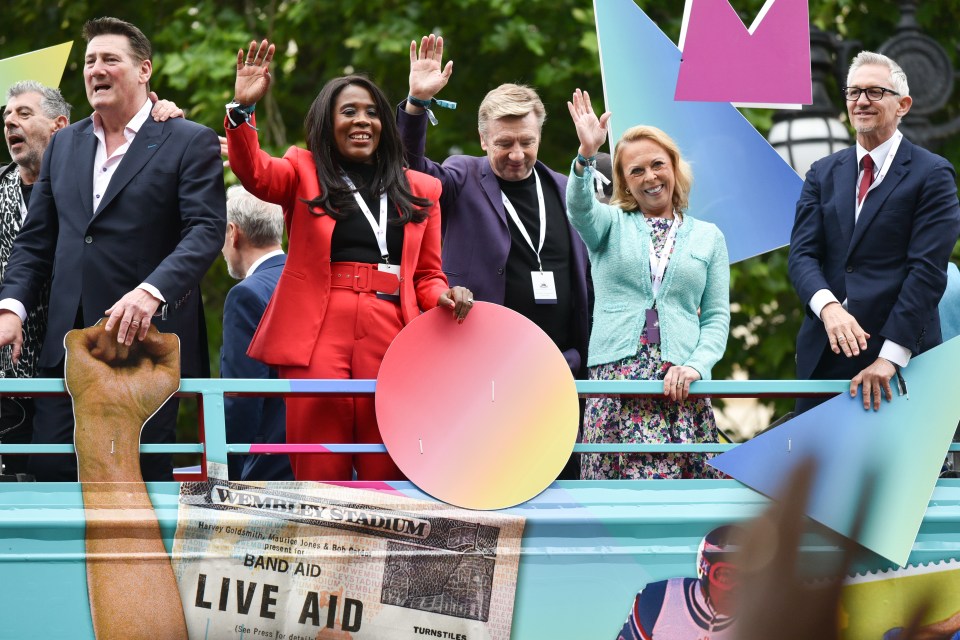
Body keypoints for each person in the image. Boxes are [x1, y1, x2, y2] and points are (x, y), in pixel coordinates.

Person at [226, 39, 473, 481]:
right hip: (319, 326)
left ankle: (389, 547)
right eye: (349, 112)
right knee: (321, 458)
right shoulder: (302, 170)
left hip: (393, 328)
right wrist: (242, 112)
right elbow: (255, 173)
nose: (362, 120)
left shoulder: (422, 189)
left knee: (390, 458)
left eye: (372, 112)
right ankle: (323, 548)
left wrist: (445, 295)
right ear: (328, 123)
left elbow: (428, 275)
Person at [0, 17, 226, 482]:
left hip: (148, 347)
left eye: (109, 59)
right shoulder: (64, 144)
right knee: (53, 477)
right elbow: (35, 242)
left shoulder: (188, 140)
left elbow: (205, 230)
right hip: (68, 348)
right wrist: (12, 308)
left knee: (137, 487)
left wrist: (152, 291)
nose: (96, 69)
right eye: (89, 61)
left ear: (144, 70)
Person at [398, 35, 590, 479]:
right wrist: (415, 105)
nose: (517, 154)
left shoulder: (567, 190)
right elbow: (410, 171)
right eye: (505, 143)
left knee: (561, 486)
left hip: (561, 371)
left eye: (527, 141)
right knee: (490, 480)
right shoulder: (463, 175)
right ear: (482, 139)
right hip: (482, 371)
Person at [566, 89, 730, 480]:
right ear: (624, 181)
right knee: (615, 500)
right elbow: (579, 207)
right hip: (616, 382)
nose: (650, 177)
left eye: (657, 165)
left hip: (680, 384)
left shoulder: (709, 237)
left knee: (681, 499)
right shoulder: (609, 224)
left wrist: (696, 366)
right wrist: (587, 156)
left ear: (674, 167)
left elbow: (717, 317)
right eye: (635, 171)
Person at [788, 51, 960, 414]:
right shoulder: (821, 173)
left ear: (903, 105)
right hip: (825, 356)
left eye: (875, 92)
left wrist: (890, 358)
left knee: (893, 473)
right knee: (816, 472)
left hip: (901, 364)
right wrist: (829, 308)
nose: (861, 101)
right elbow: (803, 255)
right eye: (853, 92)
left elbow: (927, 272)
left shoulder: (932, 174)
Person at [0, 81, 69, 477]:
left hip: (68, 363)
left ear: (59, 125)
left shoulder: (92, 190)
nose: (10, 122)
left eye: (24, 114)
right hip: (7, 373)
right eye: (7, 116)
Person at [220, 185, 293, 481]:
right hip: (326, 457)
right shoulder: (317, 282)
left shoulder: (246, 295)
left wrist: (229, 474)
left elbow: (242, 398)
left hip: (268, 469)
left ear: (233, 232)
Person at [617, 525, 743, 639]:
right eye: (726, 575)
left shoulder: (758, 622)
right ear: (704, 569)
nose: (737, 589)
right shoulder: (658, 601)